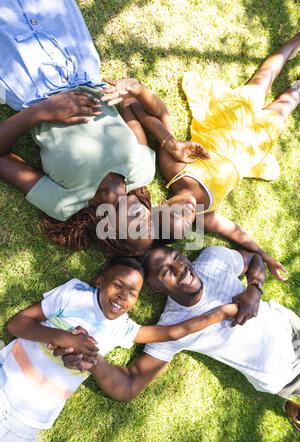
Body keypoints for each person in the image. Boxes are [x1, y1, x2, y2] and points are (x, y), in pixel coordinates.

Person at [0, 0, 204, 256]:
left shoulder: (63, 203)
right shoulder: (142, 171)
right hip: (79, 58)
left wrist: (42, 111)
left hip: (27, 78)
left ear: (107, 231)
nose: (144, 221)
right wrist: (132, 90)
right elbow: (129, 105)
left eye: (135, 231)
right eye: (149, 224)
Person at [100, 33, 300, 276]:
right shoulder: (205, 217)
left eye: (176, 210)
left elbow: (159, 121)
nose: (187, 208)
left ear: (164, 203)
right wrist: (264, 255)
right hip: (251, 148)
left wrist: (131, 103)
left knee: (262, 83)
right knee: (284, 107)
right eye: (186, 218)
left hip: (227, 124)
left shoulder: (175, 171)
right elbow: (235, 232)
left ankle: (293, 43)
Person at [0, 256, 238, 442]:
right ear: (100, 281)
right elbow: (16, 324)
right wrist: (62, 337)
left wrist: (222, 313)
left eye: (133, 293)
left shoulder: (123, 328)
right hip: (5, 380)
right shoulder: (75, 294)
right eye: (118, 285)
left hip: (32, 417)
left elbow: (174, 332)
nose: (124, 296)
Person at [58, 245, 300, 432]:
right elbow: (129, 386)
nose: (180, 269)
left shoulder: (213, 258)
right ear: (154, 287)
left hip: (290, 325)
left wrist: (254, 289)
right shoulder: (172, 326)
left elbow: (253, 259)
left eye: (177, 258)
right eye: (166, 272)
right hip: (286, 372)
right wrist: (95, 362)